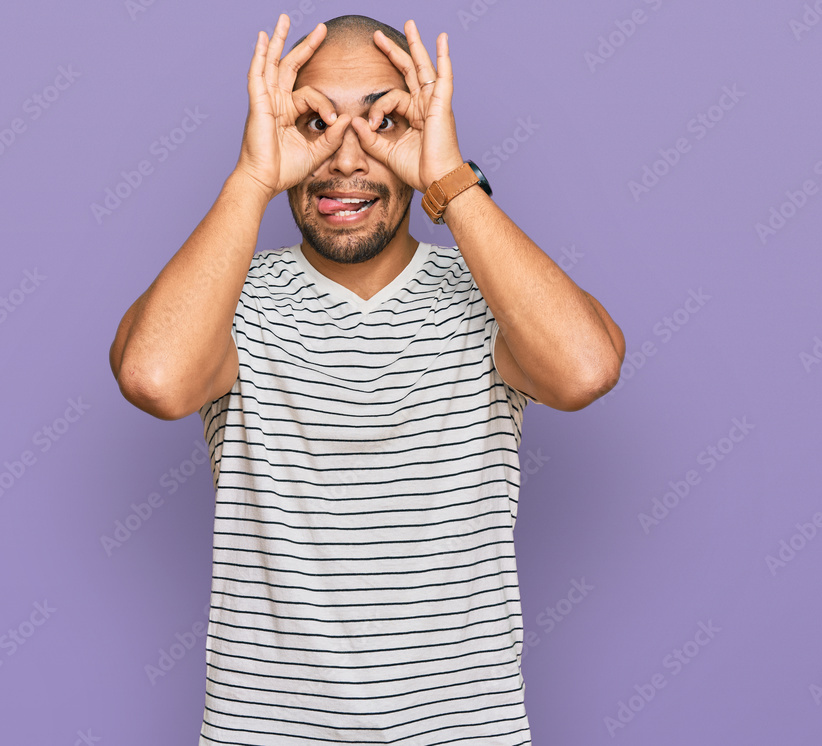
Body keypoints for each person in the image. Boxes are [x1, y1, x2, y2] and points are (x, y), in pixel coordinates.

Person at [109, 13, 624, 745]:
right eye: (314, 120)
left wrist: (449, 176)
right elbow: (154, 377)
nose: (345, 159)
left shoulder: (488, 294)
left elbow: (586, 369)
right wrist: (253, 177)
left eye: (383, 119)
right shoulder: (229, 300)